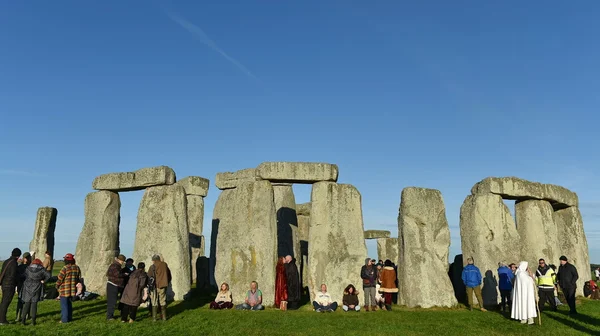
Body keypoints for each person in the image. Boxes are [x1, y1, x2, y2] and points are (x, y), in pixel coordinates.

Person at [20, 258, 51, 325]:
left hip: (27, 286)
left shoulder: (28, 269)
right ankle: (33, 321)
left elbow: (23, 275)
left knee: (26, 304)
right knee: (34, 304)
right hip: (37, 286)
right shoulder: (42, 269)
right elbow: (48, 275)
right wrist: (44, 281)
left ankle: (23, 321)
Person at [55, 253, 81, 323]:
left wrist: (56, 285)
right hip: (72, 289)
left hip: (64, 289)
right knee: (69, 304)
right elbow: (78, 278)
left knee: (64, 305)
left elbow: (60, 278)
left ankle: (64, 320)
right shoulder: (77, 267)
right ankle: (69, 317)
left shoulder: (65, 268)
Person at [0, 248, 22, 325]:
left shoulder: (6, 261)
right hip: (10, 285)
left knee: (4, 301)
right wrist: (17, 283)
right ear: (18, 256)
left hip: (4, 284)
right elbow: (13, 275)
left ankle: (2, 318)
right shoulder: (14, 263)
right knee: (6, 302)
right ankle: (2, 320)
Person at [147, 254, 172, 321]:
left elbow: (149, 276)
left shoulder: (152, 267)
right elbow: (169, 275)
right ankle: (164, 317)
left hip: (154, 286)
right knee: (162, 300)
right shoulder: (164, 265)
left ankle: (154, 318)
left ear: (153, 260)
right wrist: (166, 282)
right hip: (163, 285)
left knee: (154, 301)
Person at [106, 254, 126, 321]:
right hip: (113, 285)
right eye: (122, 261)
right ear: (119, 260)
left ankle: (112, 315)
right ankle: (109, 316)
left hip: (115, 285)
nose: (122, 262)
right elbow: (117, 274)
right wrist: (124, 274)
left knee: (113, 301)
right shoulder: (115, 266)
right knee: (112, 301)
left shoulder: (116, 265)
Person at [15, 251, 31, 322]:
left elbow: (17, 277)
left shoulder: (19, 267)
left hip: (20, 285)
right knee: (27, 301)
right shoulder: (29, 268)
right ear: (26, 259)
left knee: (20, 301)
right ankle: (27, 315)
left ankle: (18, 316)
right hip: (27, 286)